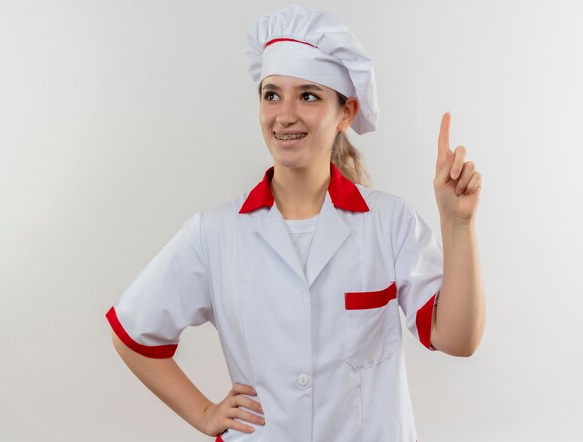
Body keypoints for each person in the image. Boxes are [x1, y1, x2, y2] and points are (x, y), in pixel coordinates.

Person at [105, 4, 485, 441]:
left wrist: (458, 224)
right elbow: (131, 331)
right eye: (272, 94)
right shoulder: (213, 234)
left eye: (308, 95)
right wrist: (205, 412)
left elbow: (458, 340)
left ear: (345, 113)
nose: (284, 114)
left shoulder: (389, 222)